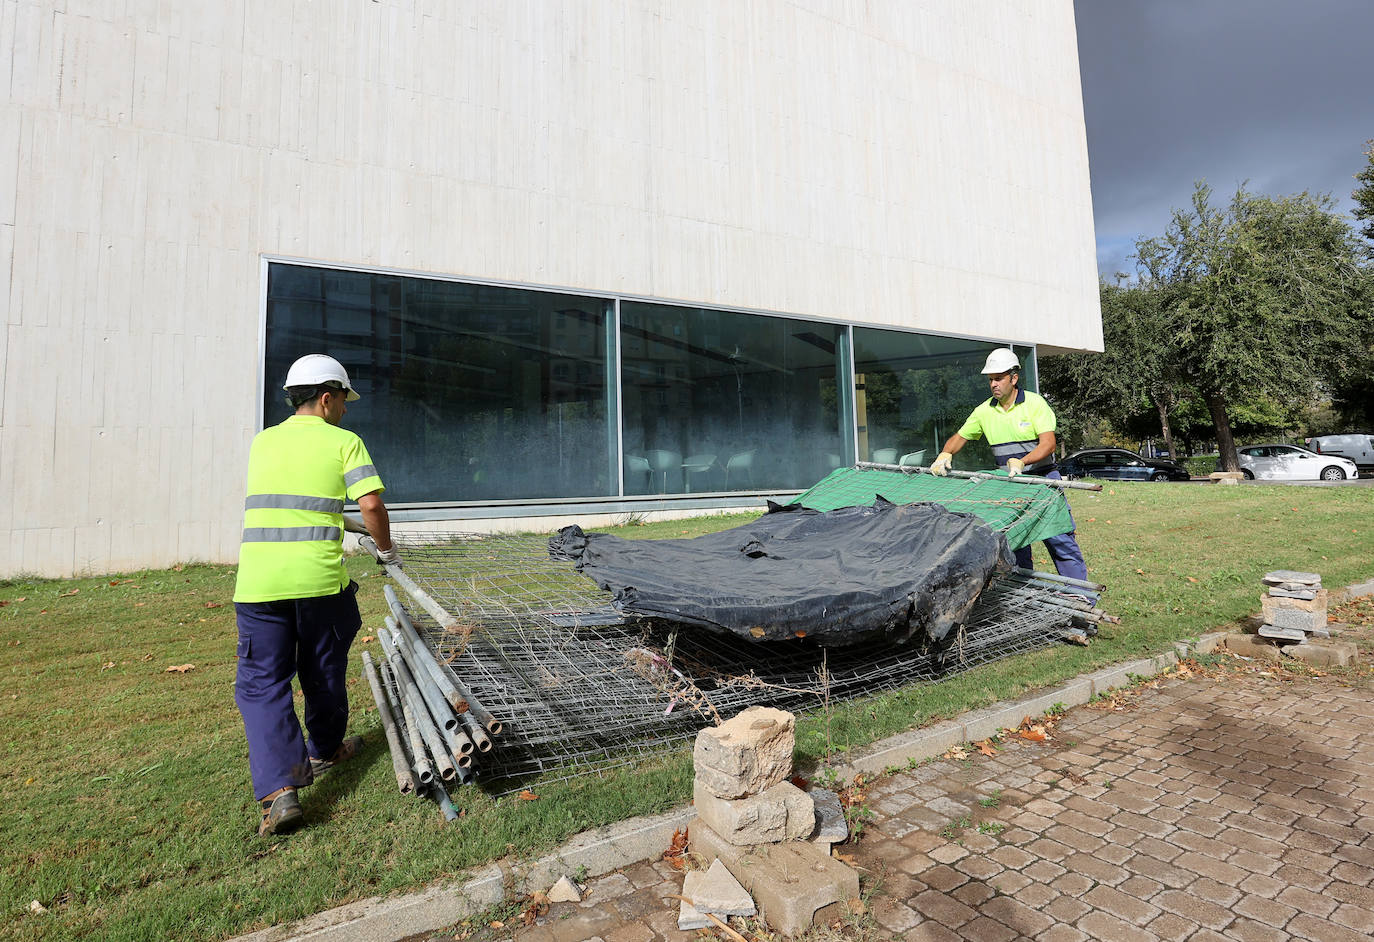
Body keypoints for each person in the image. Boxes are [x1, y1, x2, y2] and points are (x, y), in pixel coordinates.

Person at [232, 354, 402, 836]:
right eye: (344, 401)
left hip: (260, 588)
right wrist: (385, 550)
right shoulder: (344, 441)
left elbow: (299, 506)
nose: (346, 410)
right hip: (319, 585)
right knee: (323, 670)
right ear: (327, 398)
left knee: (263, 686)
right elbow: (370, 502)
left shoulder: (262, 443)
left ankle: (279, 793)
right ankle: (325, 749)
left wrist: (345, 523)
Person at [928, 348, 1087, 581]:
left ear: (1014, 378)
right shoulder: (984, 411)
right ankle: (1022, 591)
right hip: (1011, 487)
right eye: (990, 379)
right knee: (1016, 544)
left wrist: (1022, 461)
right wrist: (945, 453)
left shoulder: (1035, 404)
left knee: (1059, 539)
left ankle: (1081, 597)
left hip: (1043, 482)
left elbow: (1049, 445)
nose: (994, 384)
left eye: (999, 378)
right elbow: (960, 436)